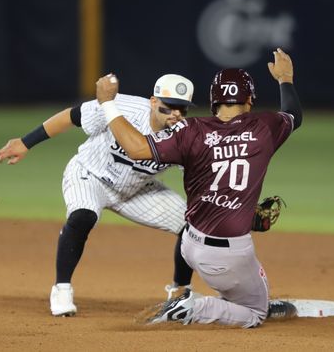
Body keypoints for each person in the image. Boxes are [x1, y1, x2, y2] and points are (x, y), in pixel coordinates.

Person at [94, 47, 302, 328]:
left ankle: (211, 294)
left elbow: (136, 148)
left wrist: (107, 103)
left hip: (190, 246)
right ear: (249, 100)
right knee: (255, 312)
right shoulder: (265, 127)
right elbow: (293, 114)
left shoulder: (189, 130)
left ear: (213, 101)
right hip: (229, 256)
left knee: (239, 285)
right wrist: (285, 78)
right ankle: (193, 308)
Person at [0, 74, 196, 316]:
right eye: (169, 107)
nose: (175, 114)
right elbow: (72, 116)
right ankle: (61, 288)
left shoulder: (185, 134)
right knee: (83, 216)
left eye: (181, 109)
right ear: (153, 101)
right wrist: (26, 143)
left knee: (192, 226)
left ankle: (179, 292)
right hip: (90, 175)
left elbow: (199, 174)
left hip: (136, 190)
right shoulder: (123, 106)